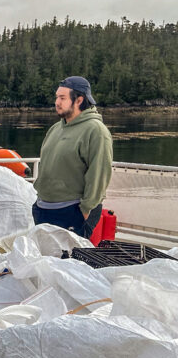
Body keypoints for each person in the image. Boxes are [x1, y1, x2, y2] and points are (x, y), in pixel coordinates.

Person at [32, 76, 114, 238]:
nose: (57, 102)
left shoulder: (96, 131)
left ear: (79, 100)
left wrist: (85, 210)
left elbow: (98, 174)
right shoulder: (56, 128)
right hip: (44, 209)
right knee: (44, 262)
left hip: (72, 212)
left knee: (68, 262)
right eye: (57, 97)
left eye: (62, 98)